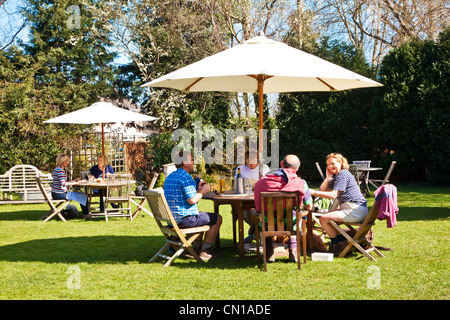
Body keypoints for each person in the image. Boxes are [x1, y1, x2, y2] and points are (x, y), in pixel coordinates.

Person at [164, 151, 222, 261]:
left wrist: (196, 188)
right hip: (184, 220)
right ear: (185, 163)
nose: (193, 162)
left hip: (172, 220)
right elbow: (192, 200)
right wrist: (203, 191)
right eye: (191, 160)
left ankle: (196, 248)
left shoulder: (171, 176)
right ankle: (205, 251)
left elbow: (182, 195)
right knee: (217, 218)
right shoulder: (185, 177)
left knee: (201, 217)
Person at [254, 154, 313, 261]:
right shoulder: (301, 183)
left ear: (281, 164)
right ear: (297, 169)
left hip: (268, 223)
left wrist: (258, 213)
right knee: (296, 219)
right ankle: (293, 250)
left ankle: (268, 252)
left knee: (263, 219)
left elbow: (258, 207)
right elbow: (309, 206)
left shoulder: (261, 183)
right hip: (291, 223)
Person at [309, 153, 368, 255]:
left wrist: (312, 192)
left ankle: (337, 245)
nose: (330, 166)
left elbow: (333, 195)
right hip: (354, 209)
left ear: (341, 162)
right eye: (328, 164)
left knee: (323, 219)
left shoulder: (343, 175)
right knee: (326, 217)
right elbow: (322, 190)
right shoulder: (337, 177)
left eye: (333, 163)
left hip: (355, 211)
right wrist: (327, 178)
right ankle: (341, 242)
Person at [234, 150, 270, 243]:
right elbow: (235, 186)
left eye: (253, 161)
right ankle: (256, 233)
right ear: (245, 160)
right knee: (246, 213)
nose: (251, 164)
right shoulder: (240, 169)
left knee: (261, 213)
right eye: (248, 161)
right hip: (245, 199)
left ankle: (253, 234)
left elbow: (269, 184)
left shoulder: (264, 168)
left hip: (261, 198)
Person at [52, 153, 89, 218]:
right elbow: (64, 184)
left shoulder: (58, 169)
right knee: (83, 195)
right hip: (59, 194)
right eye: (66, 161)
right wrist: (76, 183)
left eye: (68, 161)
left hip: (56, 193)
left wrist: (74, 181)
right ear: (62, 161)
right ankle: (86, 215)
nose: (67, 162)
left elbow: (63, 182)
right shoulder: (60, 170)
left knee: (82, 195)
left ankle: (85, 214)